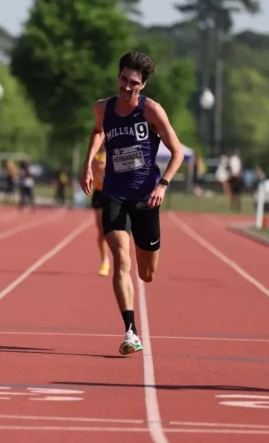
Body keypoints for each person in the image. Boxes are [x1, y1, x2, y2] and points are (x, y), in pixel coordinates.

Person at [79, 50, 184, 356]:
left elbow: (176, 151)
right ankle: (130, 330)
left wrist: (163, 184)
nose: (126, 87)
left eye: (133, 83)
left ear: (143, 85)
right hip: (113, 193)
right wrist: (87, 164)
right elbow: (98, 131)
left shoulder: (151, 111)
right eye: (123, 79)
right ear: (118, 76)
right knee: (121, 260)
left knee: (146, 273)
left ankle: (133, 320)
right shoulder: (103, 108)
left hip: (146, 198)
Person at [90, 143, 110, 276]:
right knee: (101, 230)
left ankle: (120, 256)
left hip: (113, 192)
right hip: (99, 192)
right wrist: (97, 169)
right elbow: (91, 171)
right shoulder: (96, 155)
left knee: (114, 229)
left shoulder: (117, 151)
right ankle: (105, 261)